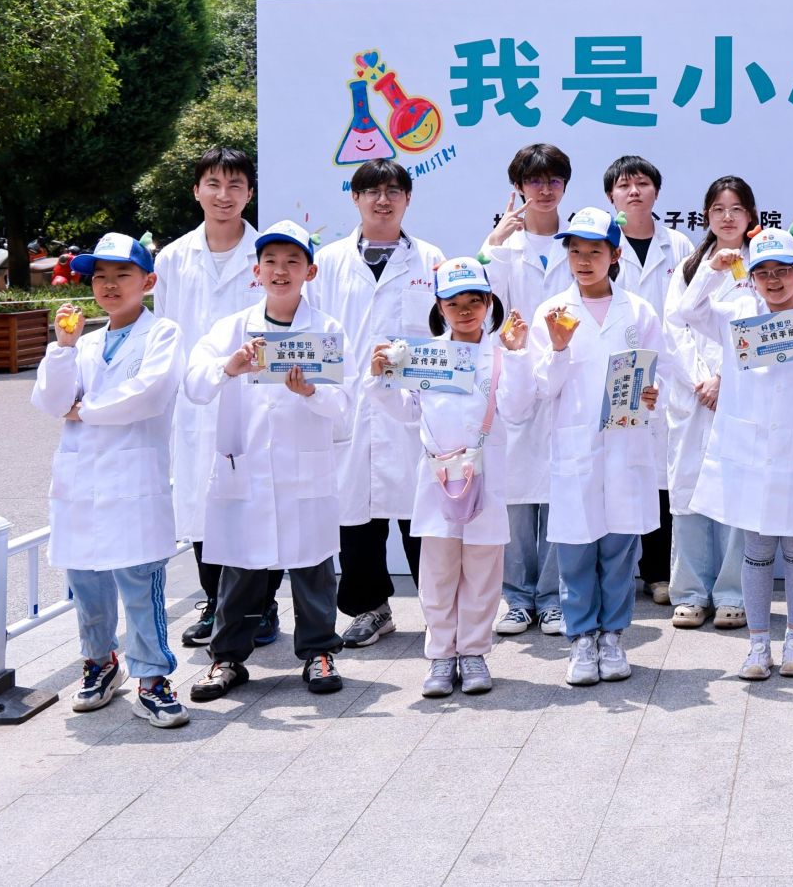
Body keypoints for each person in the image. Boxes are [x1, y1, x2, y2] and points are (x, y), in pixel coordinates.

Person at [677, 226, 793, 680]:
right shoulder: (738, 315)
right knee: (756, 548)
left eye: (782, 271)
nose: (773, 281)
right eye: (763, 272)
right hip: (752, 454)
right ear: (751, 277)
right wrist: (713, 271)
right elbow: (688, 312)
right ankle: (758, 645)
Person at [185, 221, 352, 701]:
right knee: (241, 568)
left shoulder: (326, 331)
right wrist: (229, 367)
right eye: (271, 262)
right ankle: (226, 659)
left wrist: (312, 391)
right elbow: (194, 385)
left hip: (304, 470)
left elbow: (344, 407)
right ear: (256, 272)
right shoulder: (231, 329)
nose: (281, 270)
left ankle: (319, 652)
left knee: (313, 567)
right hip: (248, 470)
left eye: (292, 262)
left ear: (309, 272)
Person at [29, 233, 188, 727]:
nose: (110, 285)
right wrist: (62, 349)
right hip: (81, 482)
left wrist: (87, 409)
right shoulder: (84, 343)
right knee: (85, 580)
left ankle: (152, 679)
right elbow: (51, 402)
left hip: (133, 478)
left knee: (139, 583)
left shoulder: (163, 334)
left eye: (122, 275)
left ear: (148, 281)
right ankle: (100, 662)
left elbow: (150, 394)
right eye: (100, 276)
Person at [366, 257, 537, 698]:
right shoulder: (424, 355)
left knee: (482, 571)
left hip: (486, 479)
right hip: (438, 480)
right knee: (438, 573)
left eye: (474, 301)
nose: (464, 311)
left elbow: (519, 410)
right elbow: (407, 412)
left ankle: (474, 652)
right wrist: (381, 379)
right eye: (453, 303)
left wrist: (517, 355)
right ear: (439, 306)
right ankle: (441, 655)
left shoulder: (501, 354)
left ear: (489, 303)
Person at [313, 159, 445, 650]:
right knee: (356, 516)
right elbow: (317, 330)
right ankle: (370, 608)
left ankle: (438, 610)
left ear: (408, 198)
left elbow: (446, 331)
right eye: (372, 191)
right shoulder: (328, 262)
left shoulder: (430, 260)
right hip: (350, 403)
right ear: (355, 197)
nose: (382, 200)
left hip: (411, 408)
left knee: (421, 515)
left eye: (393, 191)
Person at [531, 207, 665, 687]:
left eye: (594, 251)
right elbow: (541, 388)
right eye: (575, 251)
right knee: (575, 550)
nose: (584, 261)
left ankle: (612, 636)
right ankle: (581, 638)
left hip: (625, 447)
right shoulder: (552, 313)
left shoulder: (640, 311)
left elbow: (660, 371)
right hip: (576, 448)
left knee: (618, 550)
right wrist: (559, 348)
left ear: (615, 255)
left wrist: (654, 396)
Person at [150, 146, 260, 648]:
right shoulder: (173, 258)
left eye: (235, 185)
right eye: (213, 184)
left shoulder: (265, 256)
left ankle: (259, 608)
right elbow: (166, 333)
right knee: (198, 501)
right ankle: (214, 602)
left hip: (252, 399)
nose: (223, 195)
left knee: (252, 506)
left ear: (249, 194)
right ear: (196, 191)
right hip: (195, 401)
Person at [481, 143, 577, 638]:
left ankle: (555, 598)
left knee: (562, 489)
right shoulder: (502, 246)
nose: (544, 189)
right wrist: (496, 245)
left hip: (566, 374)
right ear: (518, 187)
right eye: (534, 180)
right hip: (514, 376)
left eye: (554, 180)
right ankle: (517, 598)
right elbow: (482, 309)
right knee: (515, 493)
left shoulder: (577, 242)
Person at [661, 177, 756, 630]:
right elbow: (675, 327)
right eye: (718, 209)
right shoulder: (688, 267)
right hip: (693, 395)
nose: (727, 217)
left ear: (751, 215)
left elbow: (762, 329)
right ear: (707, 216)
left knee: (738, 493)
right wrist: (702, 379)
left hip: (740, 395)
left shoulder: (763, 265)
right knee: (688, 493)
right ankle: (690, 592)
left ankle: (734, 592)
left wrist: (725, 379)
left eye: (736, 208)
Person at [605, 154, 695, 609]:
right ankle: (619, 571)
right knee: (621, 471)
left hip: (669, 372)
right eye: (624, 185)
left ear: (656, 192)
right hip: (618, 372)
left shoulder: (678, 244)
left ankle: (660, 572)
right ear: (611, 196)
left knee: (663, 475)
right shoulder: (601, 243)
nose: (634, 191)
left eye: (642, 183)